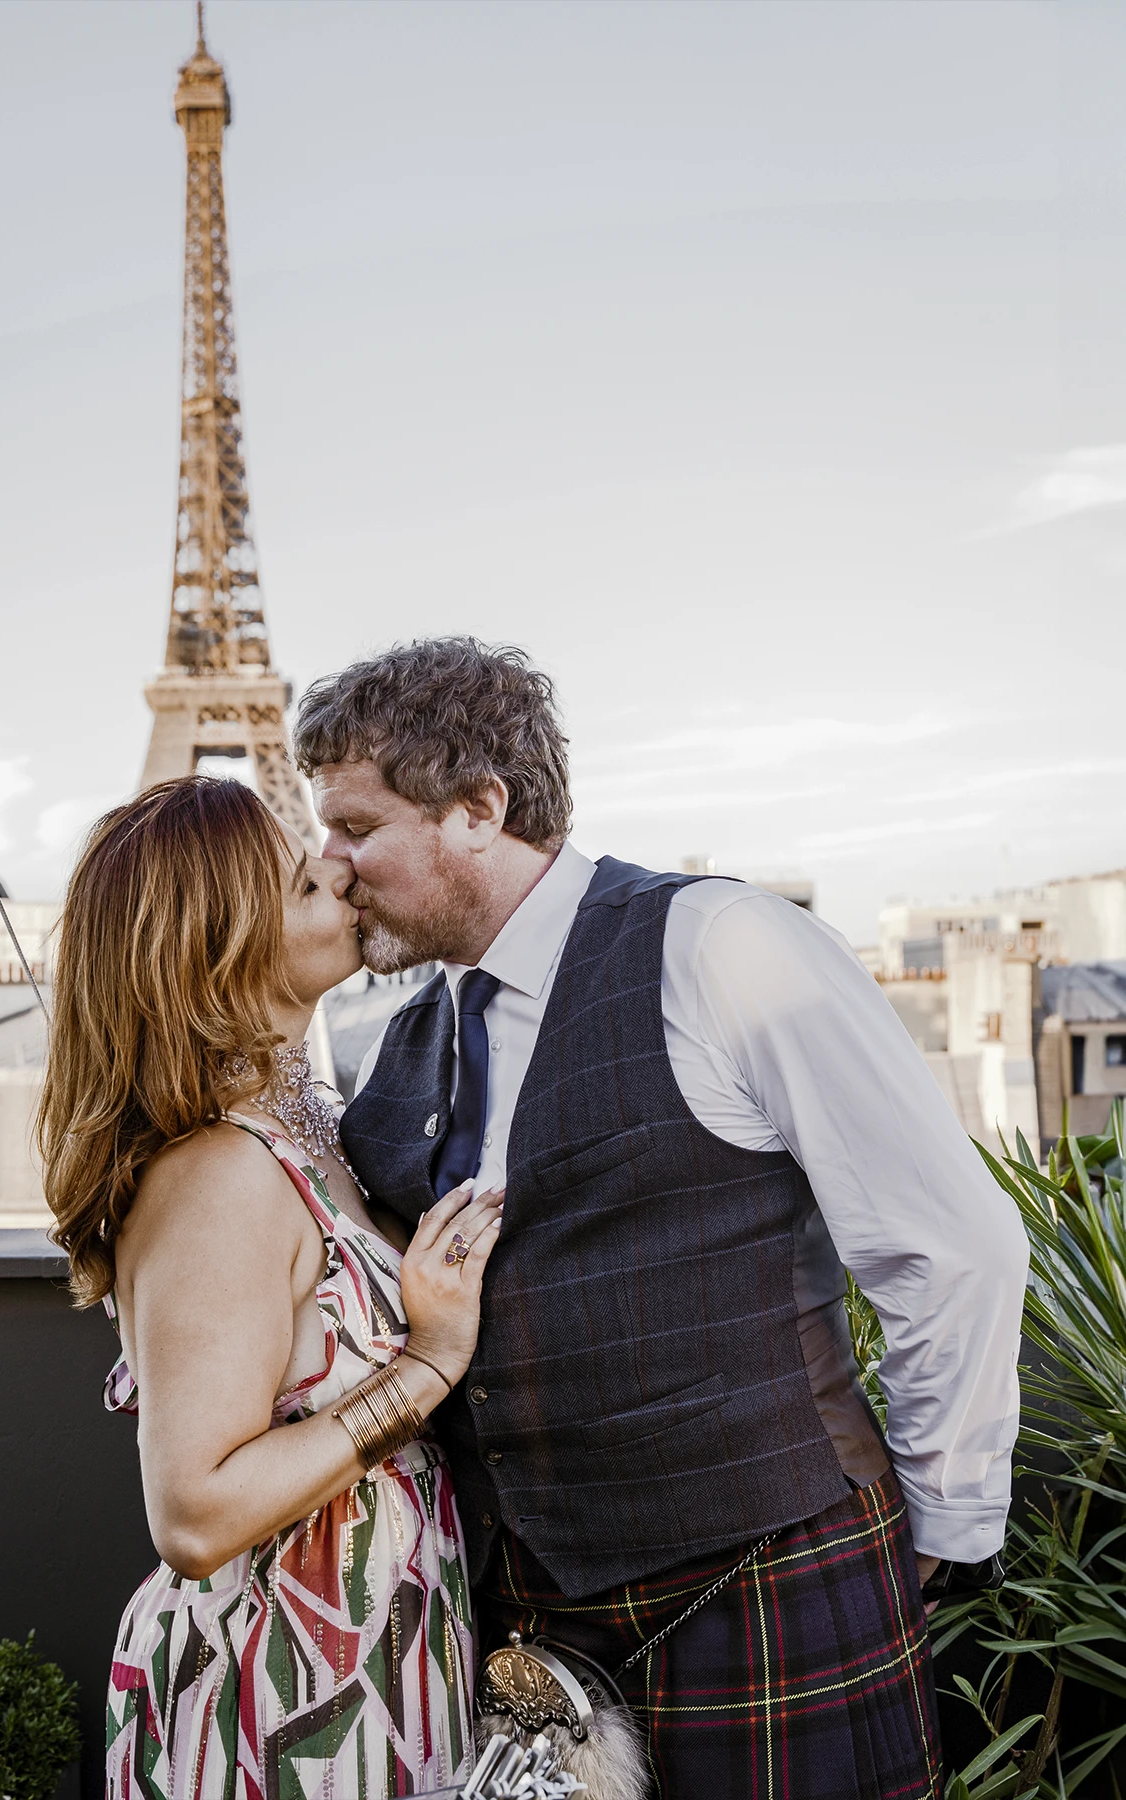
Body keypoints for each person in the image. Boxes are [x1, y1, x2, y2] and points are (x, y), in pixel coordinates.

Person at [293, 637, 1030, 1800]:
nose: (326, 867)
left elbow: (953, 1247)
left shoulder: (723, 946)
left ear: (480, 806)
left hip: (774, 1582)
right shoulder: (400, 1044)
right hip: (520, 1627)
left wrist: (942, 1526)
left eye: (352, 828)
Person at [39, 776, 501, 1799]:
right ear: (224, 955)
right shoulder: (220, 1176)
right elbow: (195, 1514)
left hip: (367, 1658)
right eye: (302, 884)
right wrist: (425, 1366)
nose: (339, 870)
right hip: (285, 1692)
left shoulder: (309, 1131)